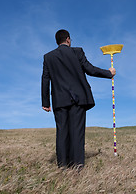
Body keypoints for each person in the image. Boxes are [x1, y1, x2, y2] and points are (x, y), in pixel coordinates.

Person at [41, 29, 116, 169]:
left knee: (62, 132)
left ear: (57, 41)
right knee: (77, 132)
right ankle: (78, 165)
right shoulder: (77, 52)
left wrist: (45, 103)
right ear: (68, 39)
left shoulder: (48, 57)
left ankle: (62, 165)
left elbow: (45, 79)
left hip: (59, 100)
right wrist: (109, 73)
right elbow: (90, 69)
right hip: (78, 99)